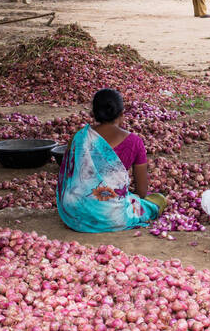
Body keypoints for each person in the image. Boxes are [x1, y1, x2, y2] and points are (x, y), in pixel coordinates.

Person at [56, 88, 168, 232]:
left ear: (94, 114)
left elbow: (67, 179)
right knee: (158, 199)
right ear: (122, 114)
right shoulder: (134, 142)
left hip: (74, 211)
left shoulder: (79, 138)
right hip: (112, 216)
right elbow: (141, 192)